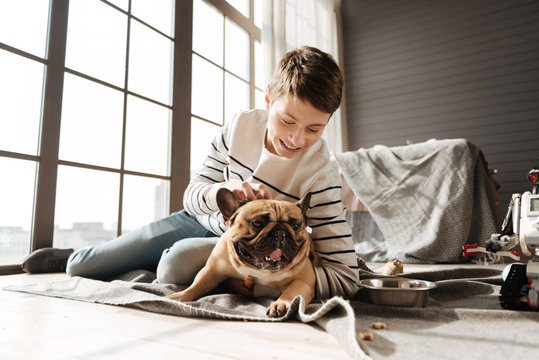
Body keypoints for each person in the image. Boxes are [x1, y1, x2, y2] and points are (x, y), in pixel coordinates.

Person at [28, 46, 360, 300]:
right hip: (195, 219)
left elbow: (346, 276)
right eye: (287, 121)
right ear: (269, 98)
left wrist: (280, 280)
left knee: (174, 265)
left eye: (314, 128)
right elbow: (193, 192)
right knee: (81, 268)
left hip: (237, 247)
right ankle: (87, 257)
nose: (296, 138)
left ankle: (148, 266)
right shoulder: (241, 126)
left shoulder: (321, 172)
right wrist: (221, 192)